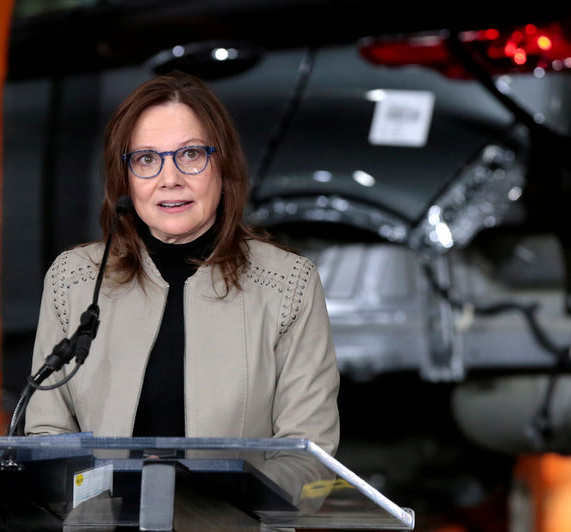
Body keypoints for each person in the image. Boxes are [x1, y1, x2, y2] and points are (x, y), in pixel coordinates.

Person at [24, 70, 340, 506]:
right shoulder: (74, 279)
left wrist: (218, 506)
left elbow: (310, 455)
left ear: (223, 165)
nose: (169, 178)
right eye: (147, 159)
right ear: (126, 178)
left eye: (190, 154)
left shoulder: (288, 284)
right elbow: (46, 436)